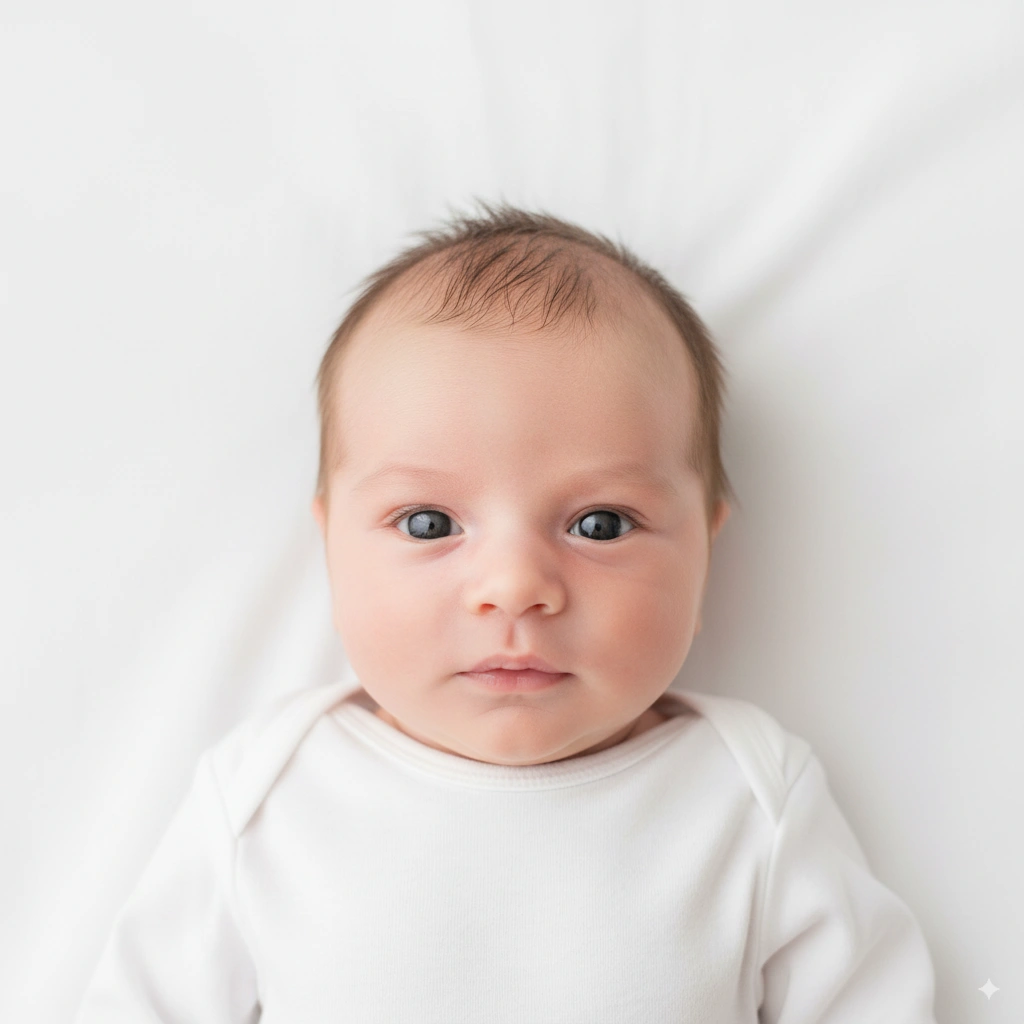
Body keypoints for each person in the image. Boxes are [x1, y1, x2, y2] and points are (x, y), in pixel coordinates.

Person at [73, 201, 939, 1022]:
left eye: (600, 524)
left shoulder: (747, 798)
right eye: (428, 524)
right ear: (330, 545)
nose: (515, 586)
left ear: (705, 553)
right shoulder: (267, 792)